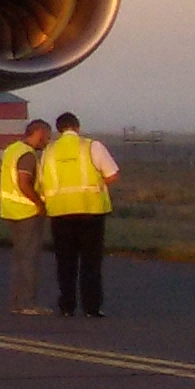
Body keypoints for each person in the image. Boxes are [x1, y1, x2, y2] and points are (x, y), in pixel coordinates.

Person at [40, 112, 118, 318]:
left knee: (65, 262)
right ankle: (91, 307)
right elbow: (112, 175)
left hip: (60, 212)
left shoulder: (49, 151)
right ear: (77, 127)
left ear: (58, 130)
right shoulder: (92, 146)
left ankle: (67, 305)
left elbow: (42, 181)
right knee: (91, 262)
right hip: (90, 210)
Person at [0, 119, 52, 314]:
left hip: (11, 209)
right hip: (27, 211)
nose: (47, 140)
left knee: (20, 259)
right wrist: (39, 203)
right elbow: (24, 182)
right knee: (29, 258)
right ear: (38, 133)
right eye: (46, 135)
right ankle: (27, 304)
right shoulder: (27, 155)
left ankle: (17, 302)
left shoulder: (11, 149)